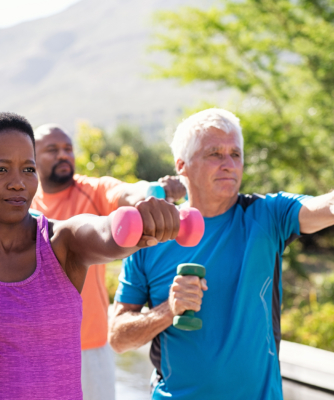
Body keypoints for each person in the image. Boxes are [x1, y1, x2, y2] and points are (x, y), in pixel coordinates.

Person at [0, 112, 180, 400]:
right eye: (1, 170)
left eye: (28, 170)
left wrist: (141, 222)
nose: (18, 183)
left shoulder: (63, 242)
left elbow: (105, 233)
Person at [108, 108, 334, 400]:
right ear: (182, 165)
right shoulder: (151, 236)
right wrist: (168, 310)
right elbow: (117, 337)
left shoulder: (267, 214)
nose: (229, 164)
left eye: (236, 154)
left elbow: (325, 208)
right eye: (215, 154)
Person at [31, 123, 186, 400]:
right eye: (52, 150)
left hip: (89, 345)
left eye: (68, 148)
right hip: (33, 348)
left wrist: (155, 191)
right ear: (31, 157)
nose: (63, 155)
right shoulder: (24, 203)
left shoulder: (93, 189)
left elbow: (128, 192)